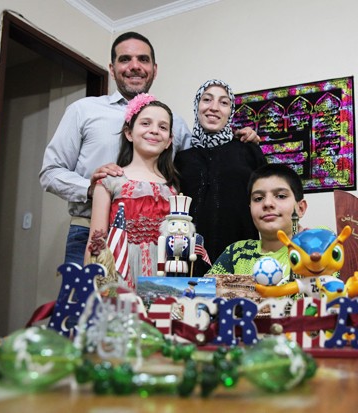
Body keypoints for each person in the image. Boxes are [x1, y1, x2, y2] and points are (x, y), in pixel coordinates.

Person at [39, 32, 258, 266]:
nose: (135, 66)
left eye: (142, 60)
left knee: (155, 301)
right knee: (89, 299)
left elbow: (204, 162)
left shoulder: (174, 122)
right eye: (125, 59)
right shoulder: (83, 111)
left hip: (156, 240)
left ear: (154, 69)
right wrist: (93, 189)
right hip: (90, 233)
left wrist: (238, 142)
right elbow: (50, 172)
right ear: (112, 69)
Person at [84, 94, 177, 289]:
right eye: (145, 123)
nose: (154, 130)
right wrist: (93, 288)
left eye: (162, 127)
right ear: (128, 133)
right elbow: (96, 239)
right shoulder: (109, 181)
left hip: (161, 279)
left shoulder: (173, 190)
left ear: (169, 140)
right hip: (119, 274)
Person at [174, 79, 266, 274]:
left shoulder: (249, 151)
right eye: (207, 100)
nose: (214, 108)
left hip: (241, 257)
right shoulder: (181, 159)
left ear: (230, 112)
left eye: (223, 103)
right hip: (189, 260)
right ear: (197, 105)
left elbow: (268, 197)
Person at [207, 163, 307, 276]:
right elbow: (205, 290)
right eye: (258, 198)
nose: (267, 203)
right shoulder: (236, 253)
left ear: (300, 208)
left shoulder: (315, 252)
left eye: (281, 196)